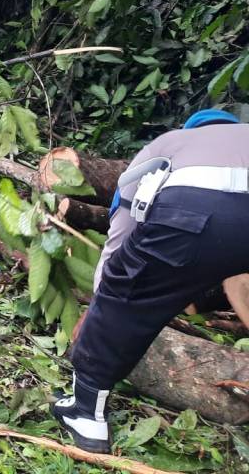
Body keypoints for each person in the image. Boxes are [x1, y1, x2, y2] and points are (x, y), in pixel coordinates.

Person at [53, 108, 249, 453]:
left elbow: (123, 226)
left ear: (190, 128)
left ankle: (86, 416)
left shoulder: (170, 143)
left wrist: (106, 299)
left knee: (126, 292)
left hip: (199, 208)